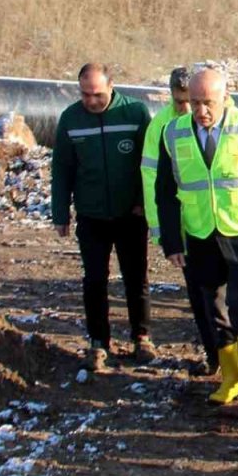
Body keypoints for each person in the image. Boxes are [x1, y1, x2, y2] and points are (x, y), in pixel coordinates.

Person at [155, 67, 238, 404]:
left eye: (208, 103)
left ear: (225, 98)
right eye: (195, 102)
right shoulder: (173, 133)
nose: (201, 110)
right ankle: (230, 375)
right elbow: (165, 192)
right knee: (213, 305)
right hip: (200, 232)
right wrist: (171, 241)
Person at [51, 63, 154, 372]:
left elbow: (149, 163)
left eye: (97, 94)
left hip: (130, 214)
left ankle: (142, 337)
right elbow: (62, 168)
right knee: (94, 280)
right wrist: (60, 212)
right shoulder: (71, 119)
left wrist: (143, 203)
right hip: (91, 214)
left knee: (136, 277)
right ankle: (99, 342)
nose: (91, 101)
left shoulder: (134, 113)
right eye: (85, 94)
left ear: (111, 86)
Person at [141, 67, 218, 375]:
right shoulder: (163, 127)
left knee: (230, 299)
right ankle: (215, 355)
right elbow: (153, 181)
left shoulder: (228, 120)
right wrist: (163, 231)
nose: (188, 108)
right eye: (180, 102)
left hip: (225, 228)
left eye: (193, 101)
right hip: (189, 231)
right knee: (200, 297)